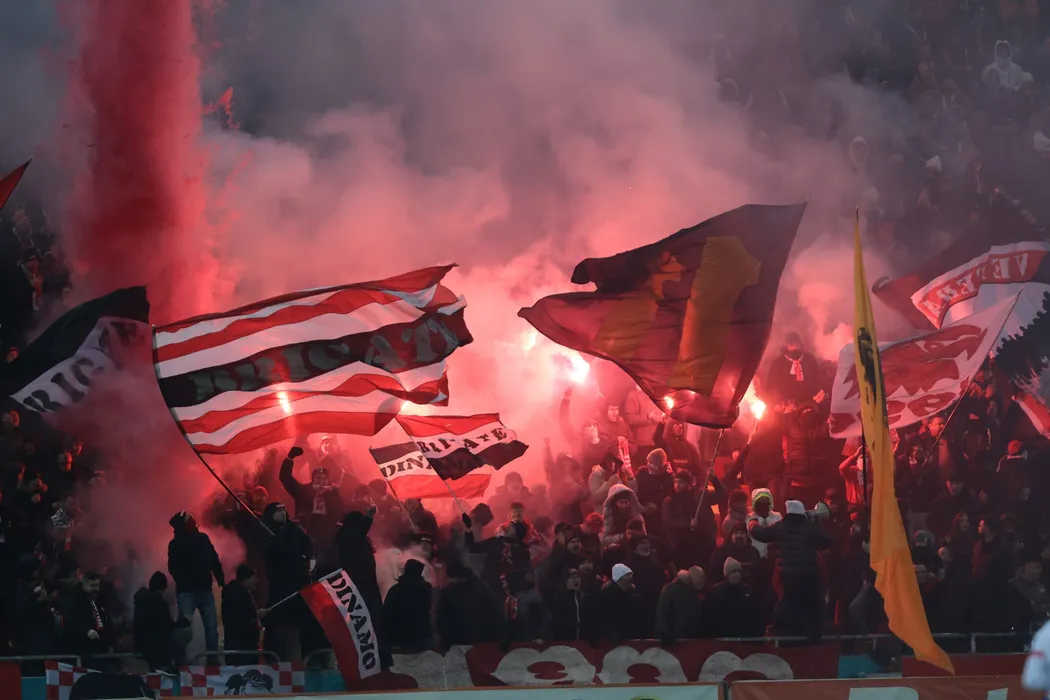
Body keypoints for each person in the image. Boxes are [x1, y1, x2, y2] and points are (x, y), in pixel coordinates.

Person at [749, 500, 832, 640]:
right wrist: (817, 524)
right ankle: (815, 638)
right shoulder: (810, 527)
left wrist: (752, 523)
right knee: (812, 606)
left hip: (788, 575)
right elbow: (827, 541)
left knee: (787, 605)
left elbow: (760, 534)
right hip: (809, 574)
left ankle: (784, 636)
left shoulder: (780, 526)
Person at [167, 511, 224, 653]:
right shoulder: (200, 539)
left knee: (185, 628)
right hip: (199, 590)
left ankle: (182, 658)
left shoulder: (176, 543)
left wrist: (181, 579)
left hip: (188, 590)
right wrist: (220, 578)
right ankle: (211, 658)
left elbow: (172, 567)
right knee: (210, 627)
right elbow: (214, 559)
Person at [280, 446, 342, 551]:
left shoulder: (334, 495)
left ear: (328, 480)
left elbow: (340, 514)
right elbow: (285, 478)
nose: (321, 481)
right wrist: (289, 459)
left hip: (328, 541)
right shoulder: (303, 492)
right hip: (305, 538)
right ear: (313, 480)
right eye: (318, 478)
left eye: (324, 478)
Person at [436, 561, 502, 646]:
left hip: (458, 642)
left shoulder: (449, 594)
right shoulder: (483, 589)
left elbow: (441, 621)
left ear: (452, 578)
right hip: (484, 641)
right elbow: (497, 612)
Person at [133, 572, 188, 670]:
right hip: (157, 648)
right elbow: (167, 627)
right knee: (184, 633)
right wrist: (182, 623)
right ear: (163, 588)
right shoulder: (161, 604)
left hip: (140, 645)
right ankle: (180, 667)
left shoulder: (140, 601)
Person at [704, 558, 763, 638]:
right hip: (722, 639)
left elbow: (755, 616)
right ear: (727, 575)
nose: (737, 574)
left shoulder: (747, 591)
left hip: (744, 639)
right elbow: (709, 618)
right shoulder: (716, 592)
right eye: (734, 571)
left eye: (739, 571)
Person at [383, 559, 434, 650]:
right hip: (421, 637)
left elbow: (386, 614)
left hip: (398, 638)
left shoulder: (395, 590)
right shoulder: (427, 590)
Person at [65, 572, 113, 658]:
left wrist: (111, 643)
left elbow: (108, 622)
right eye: (92, 585)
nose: (95, 589)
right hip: (84, 649)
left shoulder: (101, 600)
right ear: (84, 585)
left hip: (101, 649)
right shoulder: (75, 601)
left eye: (97, 585)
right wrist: (86, 631)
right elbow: (70, 622)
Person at [222, 564, 263, 662]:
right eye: (254, 577)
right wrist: (255, 614)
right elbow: (238, 618)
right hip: (240, 650)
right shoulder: (234, 595)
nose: (256, 581)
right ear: (245, 578)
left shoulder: (247, 594)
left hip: (247, 647)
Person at [655, 567, 705, 645]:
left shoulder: (696, 595)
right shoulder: (673, 590)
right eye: (700, 578)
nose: (703, 580)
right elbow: (662, 613)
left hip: (683, 641)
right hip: (674, 641)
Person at [550, 567, 599, 643]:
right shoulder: (559, 598)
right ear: (566, 581)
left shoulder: (583, 597)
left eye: (578, 577)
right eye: (572, 578)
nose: (576, 580)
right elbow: (556, 620)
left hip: (582, 641)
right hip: (565, 641)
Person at [599, 564, 644, 643]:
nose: (631, 577)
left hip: (629, 637)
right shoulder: (608, 594)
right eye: (627, 575)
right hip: (612, 639)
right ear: (619, 578)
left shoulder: (633, 593)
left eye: (631, 574)